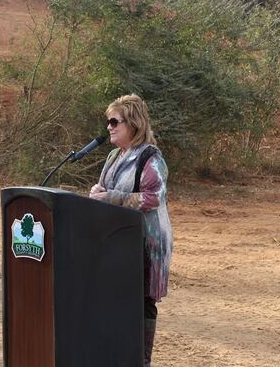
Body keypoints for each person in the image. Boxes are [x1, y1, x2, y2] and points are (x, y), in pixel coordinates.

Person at [89, 94, 173, 367]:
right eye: (108, 122)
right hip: (117, 242)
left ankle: (140, 360)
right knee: (116, 298)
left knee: (141, 302)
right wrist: (98, 192)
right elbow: (106, 189)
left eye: (115, 121)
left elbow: (153, 198)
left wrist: (112, 197)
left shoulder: (150, 158)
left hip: (145, 245)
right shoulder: (114, 156)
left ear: (133, 124)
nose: (109, 127)